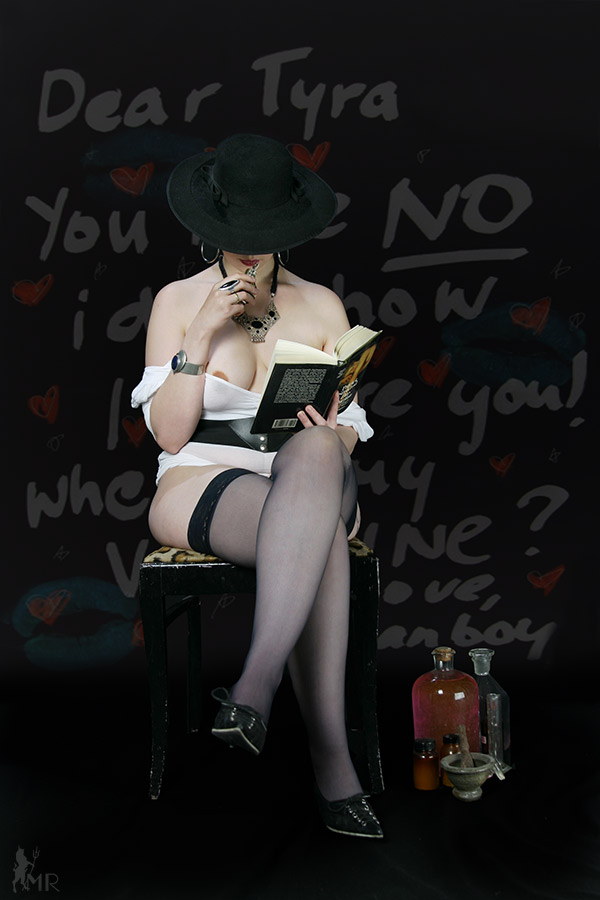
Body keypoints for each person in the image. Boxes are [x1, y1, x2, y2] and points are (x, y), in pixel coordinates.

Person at [131, 134, 383, 838]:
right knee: (317, 535)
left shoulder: (321, 305)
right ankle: (327, 754)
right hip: (206, 478)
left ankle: (253, 688)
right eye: (235, 234)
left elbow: (348, 430)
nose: (248, 250)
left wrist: (330, 428)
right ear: (210, 225)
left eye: (263, 236)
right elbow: (170, 435)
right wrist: (200, 336)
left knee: (317, 453)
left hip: (305, 470)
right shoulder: (179, 301)